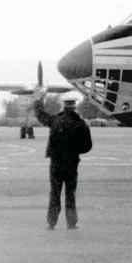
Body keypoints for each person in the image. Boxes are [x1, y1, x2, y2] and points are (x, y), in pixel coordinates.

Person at [34, 97, 92, 230]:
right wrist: (75, 151)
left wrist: (38, 99)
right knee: (70, 193)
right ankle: (72, 223)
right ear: (74, 107)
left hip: (56, 163)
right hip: (71, 163)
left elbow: (40, 115)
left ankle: (51, 222)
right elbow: (88, 146)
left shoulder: (55, 121)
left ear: (63, 107)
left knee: (54, 192)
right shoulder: (81, 124)